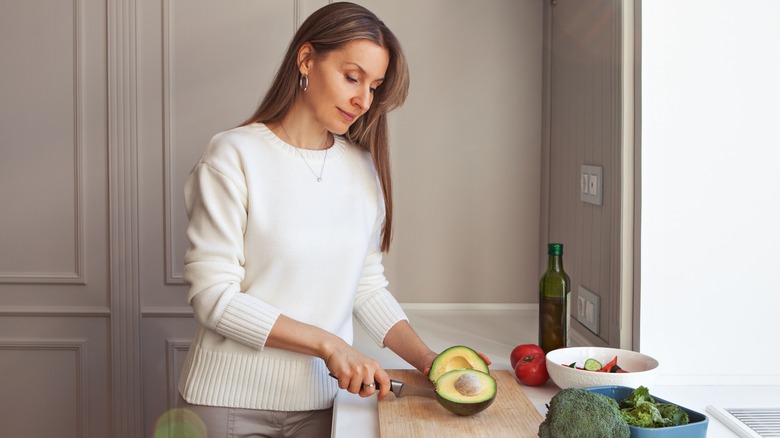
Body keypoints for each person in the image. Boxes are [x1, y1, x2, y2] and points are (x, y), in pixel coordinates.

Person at [177, 3, 489, 437]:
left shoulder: (362, 168)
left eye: (375, 86)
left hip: (325, 407)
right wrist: (330, 345)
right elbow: (214, 297)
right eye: (352, 77)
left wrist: (430, 361)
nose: (364, 100)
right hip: (228, 406)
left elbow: (365, 286)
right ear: (307, 60)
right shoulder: (232, 155)